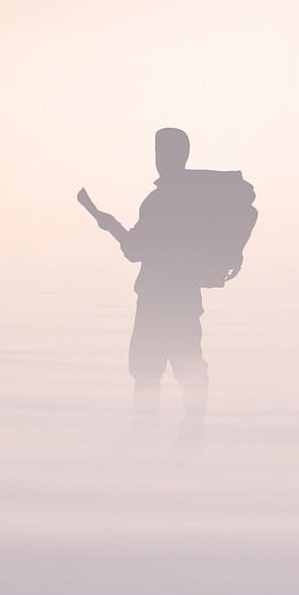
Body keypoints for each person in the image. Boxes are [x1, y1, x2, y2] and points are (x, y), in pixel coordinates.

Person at [78, 128, 246, 440]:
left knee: (146, 370)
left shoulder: (157, 203)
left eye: (161, 153)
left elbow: (134, 250)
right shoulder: (197, 201)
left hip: (156, 302)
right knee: (190, 366)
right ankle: (193, 432)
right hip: (185, 299)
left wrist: (110, 225)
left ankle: (145, 434)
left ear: (165, 157)